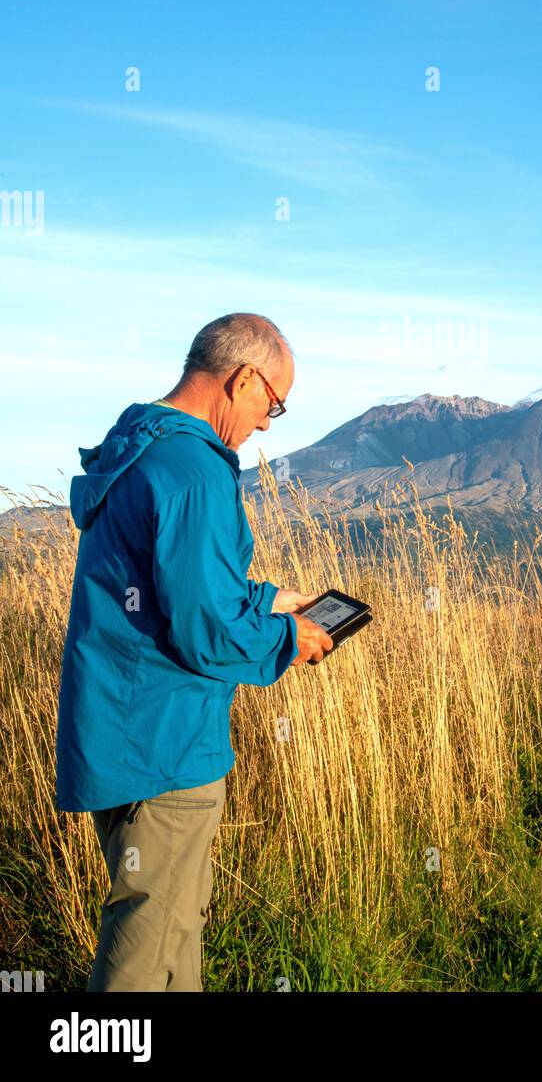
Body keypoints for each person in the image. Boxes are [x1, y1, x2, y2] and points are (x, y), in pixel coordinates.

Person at [55, 312, 333, 991]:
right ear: (242, 380)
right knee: (146, 945)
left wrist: (267, 599)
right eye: (274, 404)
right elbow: (205, 627)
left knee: (175, 925)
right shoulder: (196, 469)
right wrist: (287, 640)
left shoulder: (141, 447)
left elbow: (167, 585)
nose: (269, 423)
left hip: (119, 730)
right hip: (164, 748)